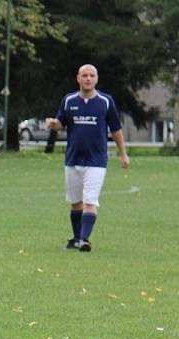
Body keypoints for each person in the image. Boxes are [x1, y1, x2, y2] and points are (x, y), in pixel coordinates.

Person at [46, 64, 129, 252]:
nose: (88, 79)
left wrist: (123, 154)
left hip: (96, 161)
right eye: (85, 75)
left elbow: (116, 129)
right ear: (78, 78)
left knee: (90, 201)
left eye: (92, 75)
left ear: (97, 79)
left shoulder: (105, 101)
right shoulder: (68, 101)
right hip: (73, 159)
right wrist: (54, 124)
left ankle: (84, 239)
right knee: (76, 202)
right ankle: (77, 238)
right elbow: (61, 123)